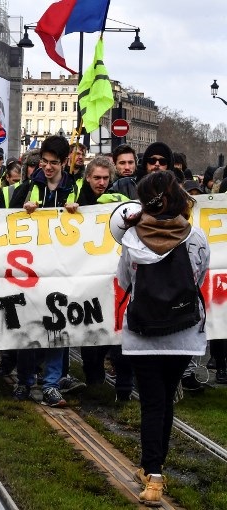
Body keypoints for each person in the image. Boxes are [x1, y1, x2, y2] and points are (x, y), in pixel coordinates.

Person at [117, 170, 209, 506]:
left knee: (152, 403)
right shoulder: (196, 236)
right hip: (183, 332)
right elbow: (199, 276)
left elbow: (125, 280)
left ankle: (152, 475)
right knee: (166, 400)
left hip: (144, 333)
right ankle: (153, 470)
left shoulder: (132, 239)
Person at [9, 135, 82, 407]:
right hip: (30, 270)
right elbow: (7, 220)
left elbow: (91, 220)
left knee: (57, 326)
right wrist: (22, 210)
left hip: (62, 270)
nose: (47, 168)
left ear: (64, 163)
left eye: (53, 163)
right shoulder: (28, 188)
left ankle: (51, 383)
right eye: (44, 162)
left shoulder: (75, 189)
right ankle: (25, 380)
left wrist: (78, 211)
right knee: (29, 327)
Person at [71, 157, 134, 400]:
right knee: (91, 331)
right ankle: (94, 377)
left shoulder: (118, 202)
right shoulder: (76, 199)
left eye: (106, 178)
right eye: (96, 178)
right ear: (87, 178)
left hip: (115, 276)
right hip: (86, 276)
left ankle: (124, 387)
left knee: (119, 333)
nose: (101, 182)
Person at [109, 142, 174, 200]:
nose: (157, 164)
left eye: (162, 161)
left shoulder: (175, 190)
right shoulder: (120, 185)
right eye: (152, 160)